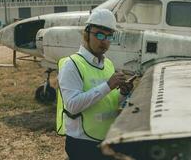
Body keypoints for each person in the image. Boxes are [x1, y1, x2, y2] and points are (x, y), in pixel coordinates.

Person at [56, 9, 133, 160]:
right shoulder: (72, 65)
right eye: (99, 34)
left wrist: (122, 93)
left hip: (105, 139)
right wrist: (108, 86)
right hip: (83, 144)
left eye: (109, 36)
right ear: (86, 34)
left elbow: (108, 101)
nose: (104, 41)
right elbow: (72, 105)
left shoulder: (108, 64)